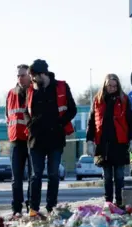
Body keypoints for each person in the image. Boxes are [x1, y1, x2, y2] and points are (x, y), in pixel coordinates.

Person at [24, 59, 77, 216]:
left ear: (42, 74)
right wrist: (30, 125)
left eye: (34, 76)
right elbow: (25, 111)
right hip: (36, 140)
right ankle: (33, 209)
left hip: (55, 138)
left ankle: (51, 207)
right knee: (36, 175)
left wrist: (60, 123)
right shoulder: (31, 90)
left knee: (53, 174)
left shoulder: (61, 86)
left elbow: (72, 109)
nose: (32, 79)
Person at [86, 74, 132, 207]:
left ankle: (120, 201)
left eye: (115, 86)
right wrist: (89, 141)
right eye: (110, 85)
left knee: (119, 175)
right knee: (107, 176)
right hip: (103, 144)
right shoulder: (97, 100)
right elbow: (91, 122)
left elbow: (131, 121)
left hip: (119, 143)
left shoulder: (124, 100)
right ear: (105, 85)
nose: (112, 88)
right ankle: (108, 201)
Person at [6, 64, 33, 217]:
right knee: (16, 179)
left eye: (23, 75)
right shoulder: (11, 94)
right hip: (16, 141)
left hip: (31, 141)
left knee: (32, 177)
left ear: (29, 76)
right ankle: (16, 209)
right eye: (18, 75)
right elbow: (7, 117)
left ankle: (31, 207)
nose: (20, 78)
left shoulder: (34, 92)